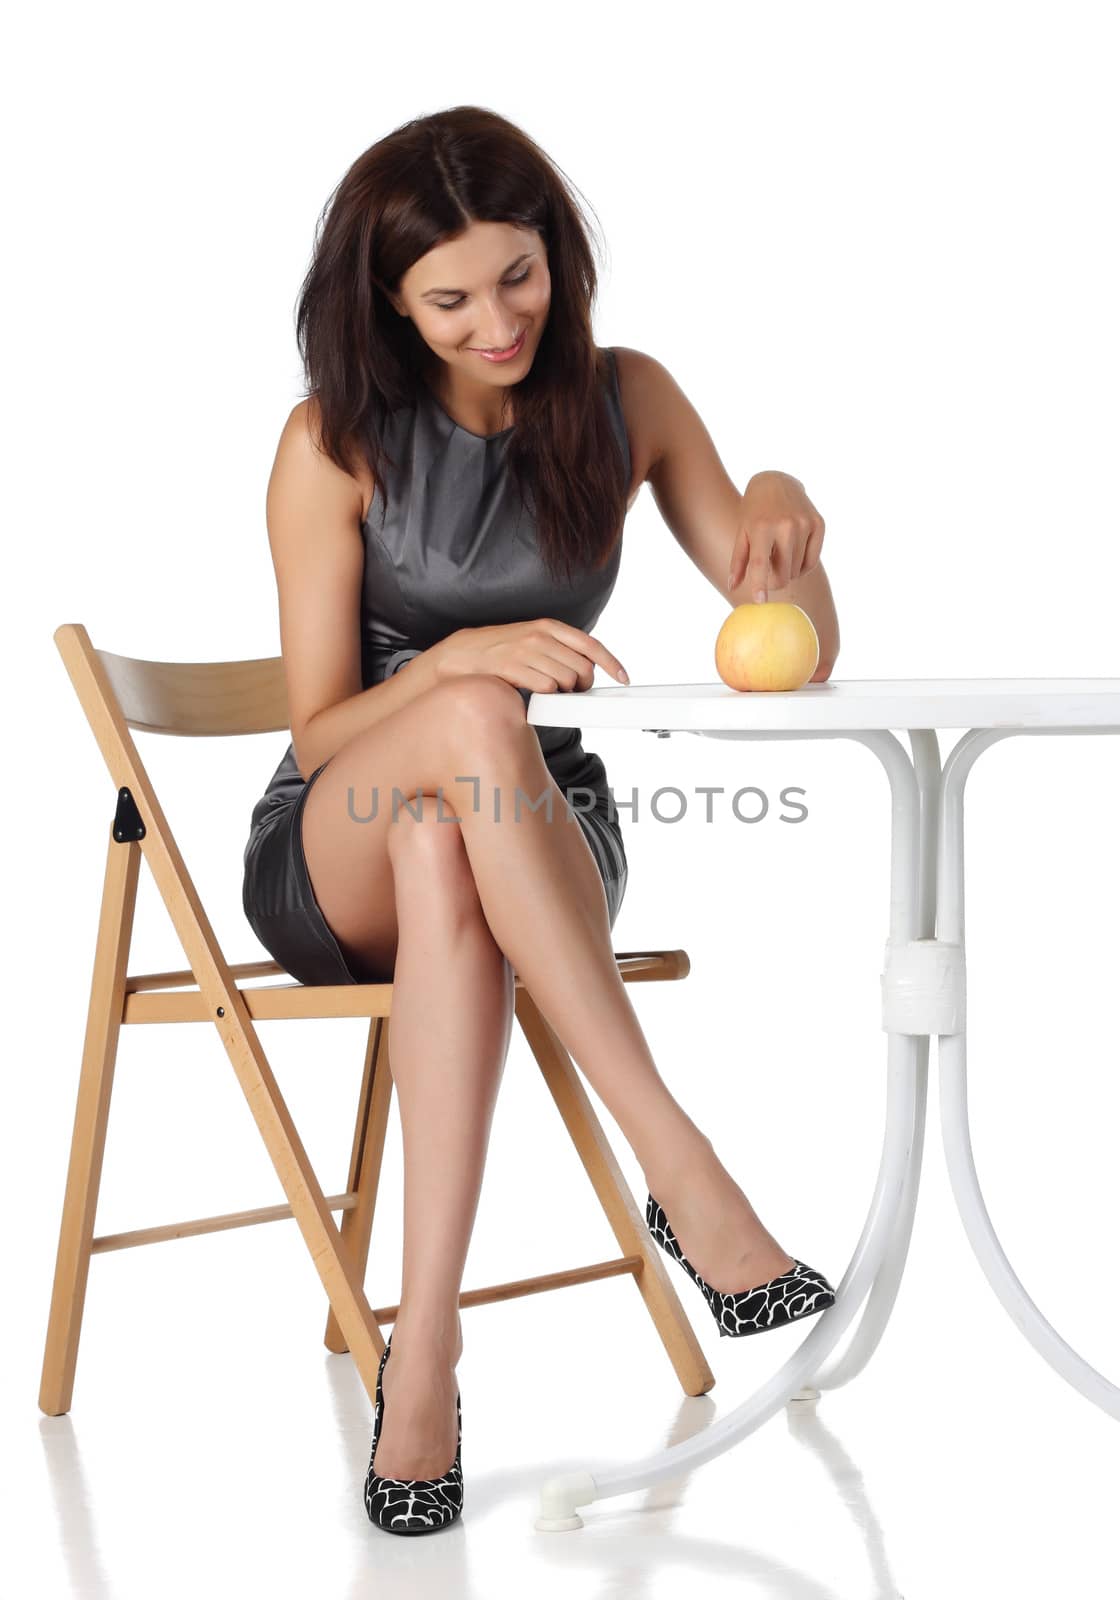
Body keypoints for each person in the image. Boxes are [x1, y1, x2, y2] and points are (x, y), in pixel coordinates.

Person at [241, 105, 841, 1537]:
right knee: (457, 741)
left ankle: (425, 1358)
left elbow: (790, 645)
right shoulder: (333, 440)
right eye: (449, 298)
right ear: (388, 299)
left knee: (462, 826)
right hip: (341, 826)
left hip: (527, 838)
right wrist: (450, 665)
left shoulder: (627, 399)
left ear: (555, 257)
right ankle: (682, 1169)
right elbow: (322, 722)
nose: (496, 319)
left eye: (519, 277)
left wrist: (786, 507)